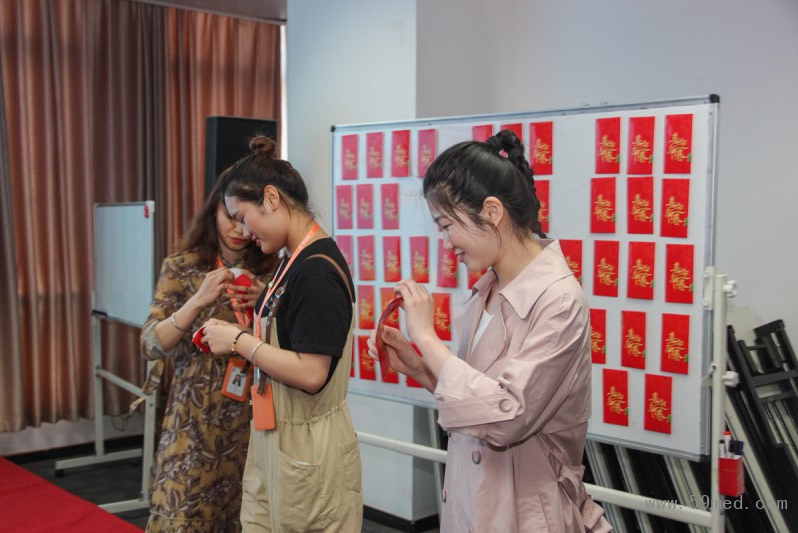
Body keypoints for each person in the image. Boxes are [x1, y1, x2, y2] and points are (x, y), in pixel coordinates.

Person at [369, 130, 612, 532]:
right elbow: (476, 402)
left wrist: (427, 337)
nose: (446, 242)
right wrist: (421, 367)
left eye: (447, 225)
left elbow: (506, 416)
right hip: (474, 502)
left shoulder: (560, 301)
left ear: (493, 211)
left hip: (524, 515)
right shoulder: (487, 288)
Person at [200, 136, 362, 532]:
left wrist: (239, 341)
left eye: (242, 217)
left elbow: (311, 373)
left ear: (271, 199)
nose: (242, 231)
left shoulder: (317, 270)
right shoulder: (293, 260)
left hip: (309, 444)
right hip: (276, 432)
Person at [140, 175, 275, 532]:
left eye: (246, 218)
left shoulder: (272, 270)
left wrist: (264, 300)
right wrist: (197, 301)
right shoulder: (181, 267)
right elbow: (151, 343)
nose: (239, 229)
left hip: (253, 420)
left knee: (248, 518)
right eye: (230, 216)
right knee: (183, 516)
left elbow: (294, 349)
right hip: (194, 422)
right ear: (213, 211)